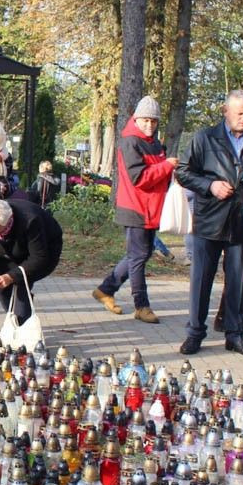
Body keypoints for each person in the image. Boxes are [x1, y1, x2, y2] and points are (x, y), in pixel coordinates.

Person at [175, 89, 243, 356]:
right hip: (210, 217)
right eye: (239, 113)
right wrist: (210, 185)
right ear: (225, 112)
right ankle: (195, 333)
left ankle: (235, 334)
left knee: (238, 280)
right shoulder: (205, 138)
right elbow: (183, 171)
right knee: (201, 279)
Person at [92, 96, 177, 324]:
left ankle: (105, 289)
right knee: (138, 257)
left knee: (139, 255)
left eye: (154, 121)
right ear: (137, 119)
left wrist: (169, 170)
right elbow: (140, 177)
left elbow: (158, 175)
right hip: (136, 208)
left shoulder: (154, 143)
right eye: (146, 120)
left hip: (151, 209)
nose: (150, 125)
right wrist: (167, 165)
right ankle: (141, 305)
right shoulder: (130, 142)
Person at [0, 198, 62, 325]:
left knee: (20, 286)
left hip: (43, 251)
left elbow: (38, 258)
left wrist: (11, 276)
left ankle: (23, 329)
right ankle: (15, 319)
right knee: (1, 287)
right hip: (8, 252)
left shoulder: (30, 220)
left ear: (9, 220)